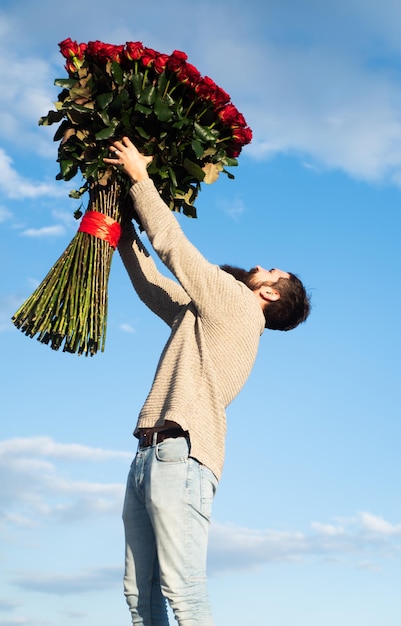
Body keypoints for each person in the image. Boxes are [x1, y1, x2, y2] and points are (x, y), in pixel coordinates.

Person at [104, 138, 311, 626]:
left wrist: (139, 178)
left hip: (182, 454)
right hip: (150, 453)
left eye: (271, 270)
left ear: (267, 292)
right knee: (142, 595)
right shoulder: (210, 314)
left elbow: (176, 247)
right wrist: (120, 229)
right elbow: (156, 289)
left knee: (183, 592)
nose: (262, 264)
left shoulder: (238, 305)